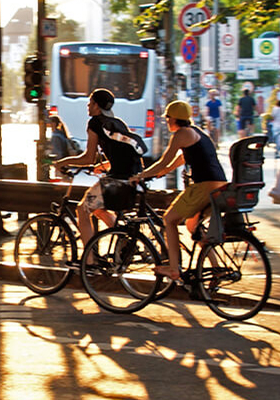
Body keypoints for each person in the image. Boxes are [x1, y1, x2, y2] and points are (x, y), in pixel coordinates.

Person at [133, 100, 229, 281]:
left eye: (168, 118)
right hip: (219, 184)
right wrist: (164, 172)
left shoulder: (181, 134)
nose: (167, 121)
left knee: (169, 220)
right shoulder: (197, 132)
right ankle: (217, 268)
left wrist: (141, 175)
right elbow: (181, 158)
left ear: (174, 118)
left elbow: (164, 160)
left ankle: (173, 268)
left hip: (203, 185)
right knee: (193, 226)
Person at [52, 89, 144, 253]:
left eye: (90, 102)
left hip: (116, 180)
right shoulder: (117, 123)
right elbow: (121, 155)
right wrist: (104, 166)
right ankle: (123, 235)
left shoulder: (95, 123)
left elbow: (88, 158)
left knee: (82, 209)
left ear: (96, 105)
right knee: (98, 207)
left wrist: (64, 162)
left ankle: (89, 260)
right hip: (132, 178)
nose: (88, 105)